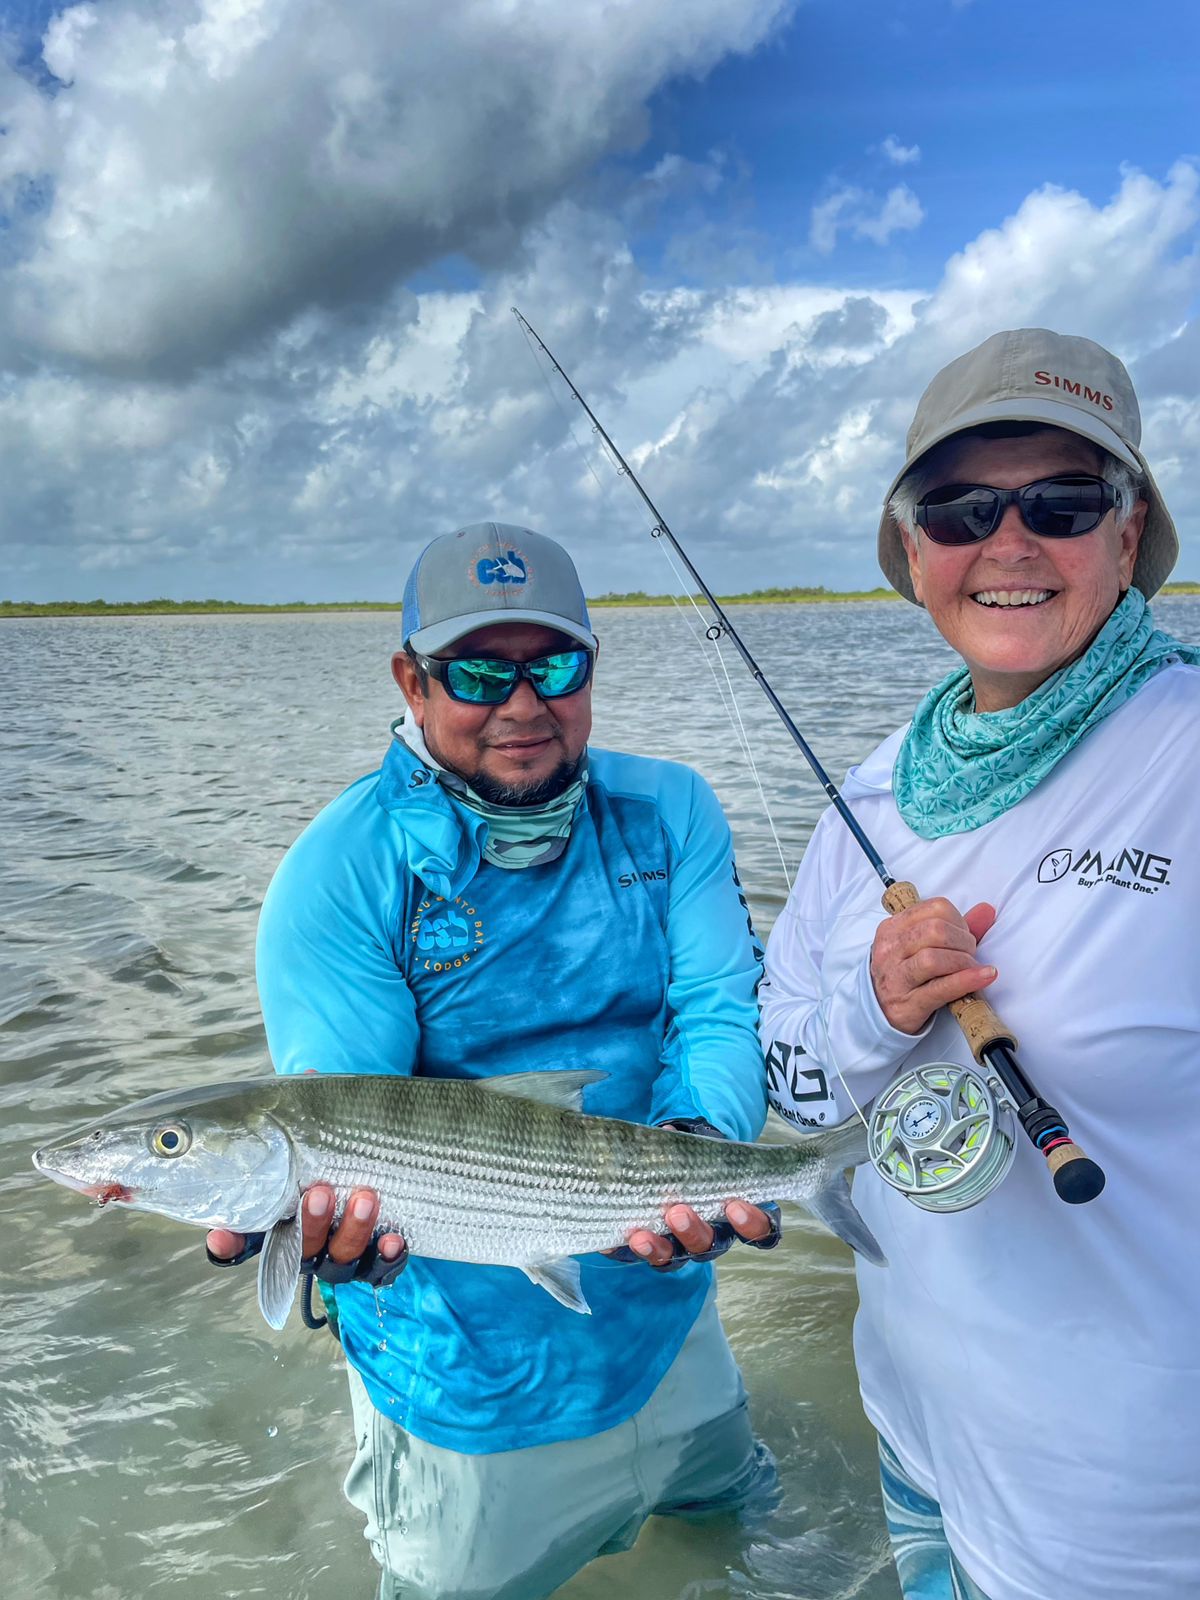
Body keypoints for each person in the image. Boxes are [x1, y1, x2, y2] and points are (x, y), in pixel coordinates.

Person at [207, 522, 779, 1600]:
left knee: (732, 1534)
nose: (523, 705)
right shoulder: (341, 872)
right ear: (411, 683)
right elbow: (348, 1124)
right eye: (477, 672)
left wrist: (703, 1141)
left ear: (591, 671)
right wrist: (337, 1241)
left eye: (554, 666)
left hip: (671, 1318)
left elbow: (714, 1004)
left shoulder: (672, 810)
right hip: (469, 1397)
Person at [760, 329, 1200, 1600]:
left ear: (1128, 537)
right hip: (918, 1435)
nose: (1008, 542)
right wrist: (872, 1007)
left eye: (1063, 501)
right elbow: (788, 1085)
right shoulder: (874, 791)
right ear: (912, 551)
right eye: (959, 507)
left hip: (1125, 1517)